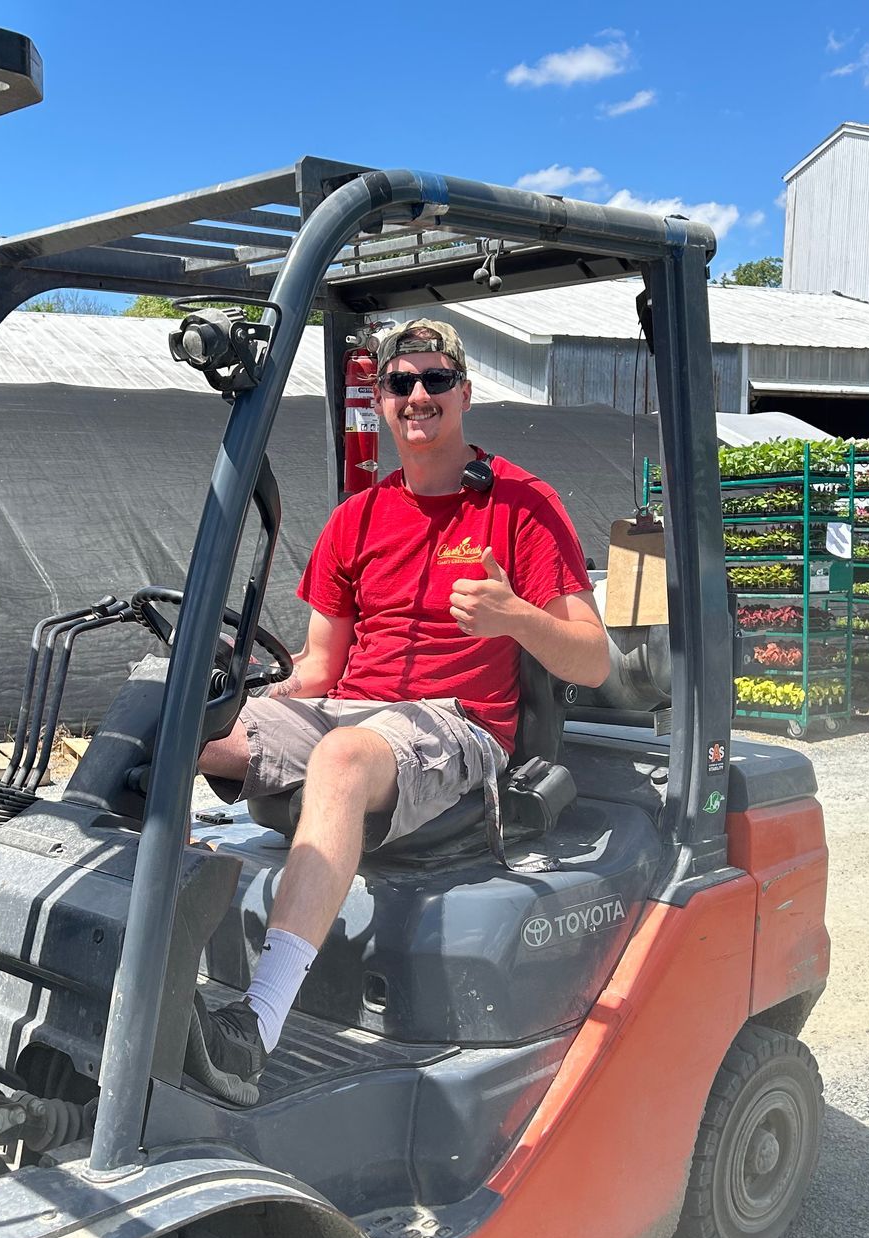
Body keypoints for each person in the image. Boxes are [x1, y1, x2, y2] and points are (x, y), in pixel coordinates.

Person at [186, 318, 611, 1104]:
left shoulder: (521, 505)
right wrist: (236, 703)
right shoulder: (357, 518)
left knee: (341, 760)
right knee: (178, 718)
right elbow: (319, 667)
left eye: (435, 381)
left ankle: (256, 1027)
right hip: (356, 710)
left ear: (464, 393)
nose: (418, 396)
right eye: (400, 384)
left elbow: (594, 657)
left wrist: (516, 616)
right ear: (379, 401)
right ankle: (135, 954)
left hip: (460, 725)